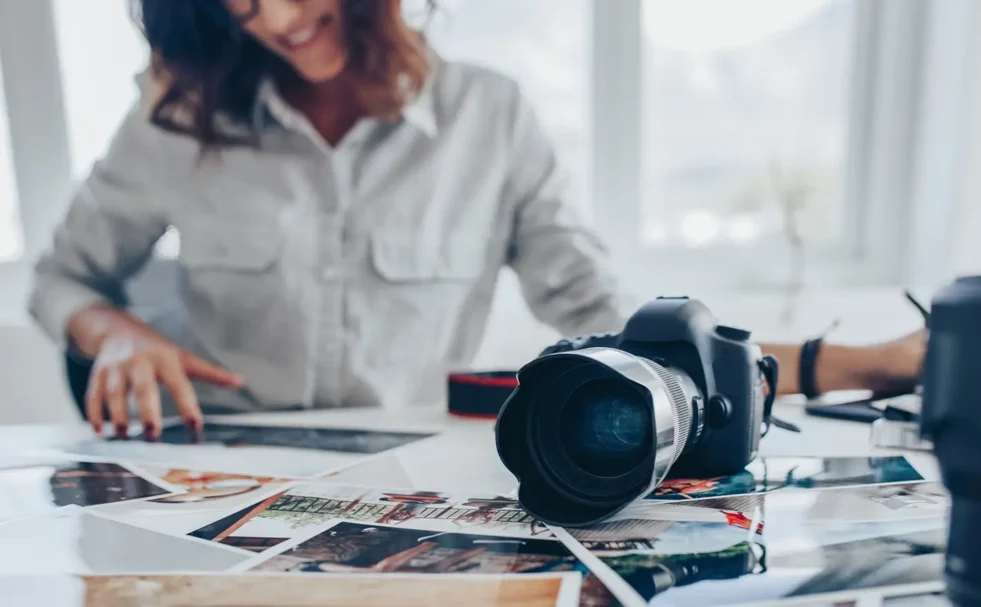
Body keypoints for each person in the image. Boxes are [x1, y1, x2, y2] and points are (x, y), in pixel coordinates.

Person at [28, 0, 926, 440]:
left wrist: (855, 365)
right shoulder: (175, 122)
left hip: (403, 485)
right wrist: (110, 333)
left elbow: (613, 320)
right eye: (243, 0)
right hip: (210, 470)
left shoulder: (491, 118)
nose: (285, 18)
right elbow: (61, 279)